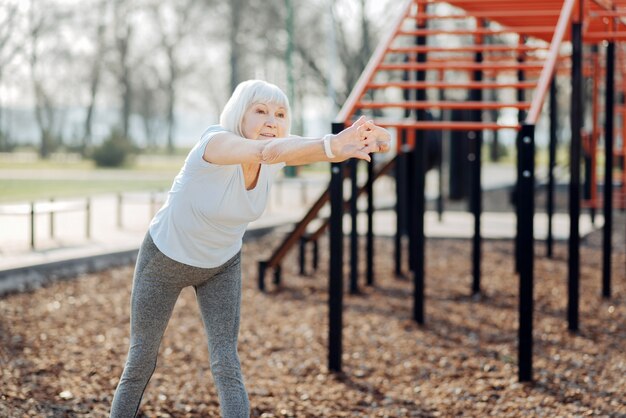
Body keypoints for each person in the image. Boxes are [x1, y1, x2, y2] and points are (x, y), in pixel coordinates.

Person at [109, 79, 391, 417]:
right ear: (240, 114)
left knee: (227, 362)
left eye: (280, 113)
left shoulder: (276, 154)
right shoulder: (214, 143)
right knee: (141, 359)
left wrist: (373, 138)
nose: (272, 120)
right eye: (260, 111)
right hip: (164, 259)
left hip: (221, 265)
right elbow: (269, 151)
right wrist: (334, 145)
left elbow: (297, 147)